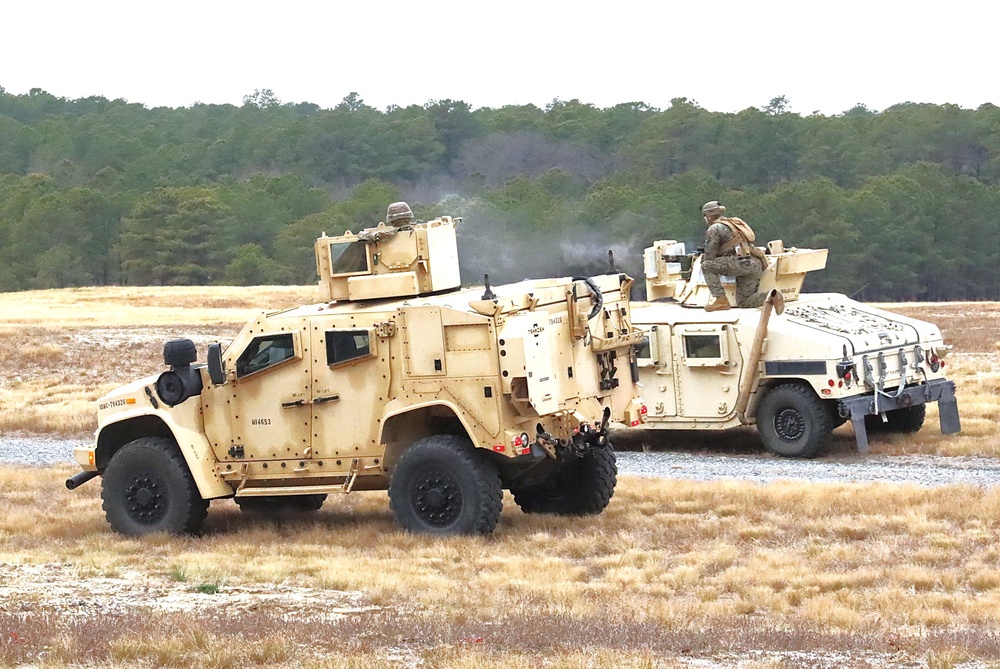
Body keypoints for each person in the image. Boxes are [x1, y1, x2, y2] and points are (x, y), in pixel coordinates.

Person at [699, 201, 777, 312]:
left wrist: (703, 257)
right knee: (745, 301)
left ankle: (721, 300)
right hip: (754, 263)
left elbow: (709, 256)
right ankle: (773, 296)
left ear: (709, 215)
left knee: (706, 266)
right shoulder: (732, 223)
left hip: (739, 263)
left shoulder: (714, 228)